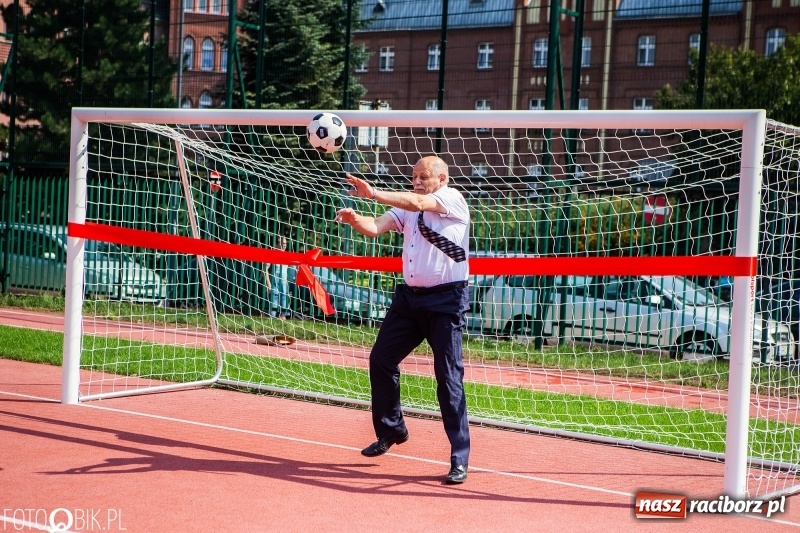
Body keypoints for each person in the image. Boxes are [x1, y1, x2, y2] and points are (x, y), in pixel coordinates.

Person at [334, 155, 471, 485]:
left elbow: (420, 201)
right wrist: (356, 219)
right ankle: (391, 430)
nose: (417, 180)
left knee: (448, 378)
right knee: (381, 359)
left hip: (446, 300)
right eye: (413, 175)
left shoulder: (451, 199)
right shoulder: (407, 208)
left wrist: (375, 193)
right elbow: (375, 227)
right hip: (409, 300)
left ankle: (459, 458)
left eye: (424, 175)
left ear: (441, 178)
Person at [266, 235, 291, 319]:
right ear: (276, 244)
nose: (284, 245)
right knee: (273, 309)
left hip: (284, 284)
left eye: (285, 243)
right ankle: (272, 319)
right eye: (282, 243)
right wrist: (268, 284)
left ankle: (282, 320)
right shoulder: (272, 254)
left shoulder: (287, 255)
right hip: (274, 284)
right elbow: (265, 269)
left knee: (283, 311)